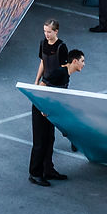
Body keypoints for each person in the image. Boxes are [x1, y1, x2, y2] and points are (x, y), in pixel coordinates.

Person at [29, 49, 85, 187]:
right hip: (41, 109)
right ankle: (35, 174)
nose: (84, 64)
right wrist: (43, 108)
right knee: (40, 142)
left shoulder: (66, 74)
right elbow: (41, 89)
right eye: (82, 61)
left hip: (49, 110)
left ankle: (48, 170)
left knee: (49, 140)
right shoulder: (59, 72)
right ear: (75, 61)